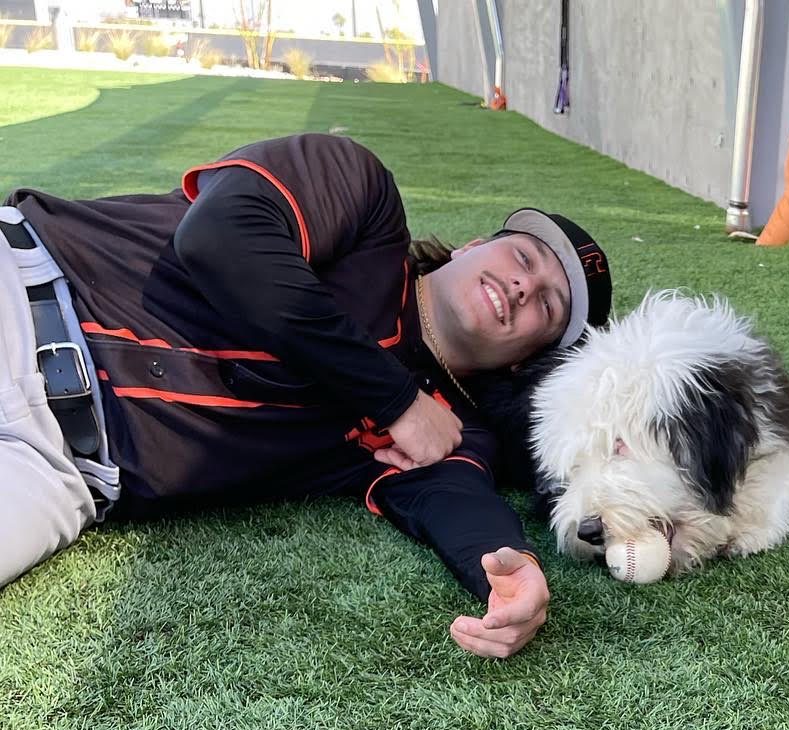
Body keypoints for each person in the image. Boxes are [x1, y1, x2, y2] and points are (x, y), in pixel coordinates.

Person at [0, 133, 612, 659]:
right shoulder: (366, 198)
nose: (523, 284)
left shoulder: (452, 429)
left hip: (62, 475)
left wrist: (513, 569)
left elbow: (457, 502)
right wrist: (395, 400)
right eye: (524, 256)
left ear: (532, 357)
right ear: (474, 245)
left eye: (549, 304)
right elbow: (220, 236)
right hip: (28, 289)